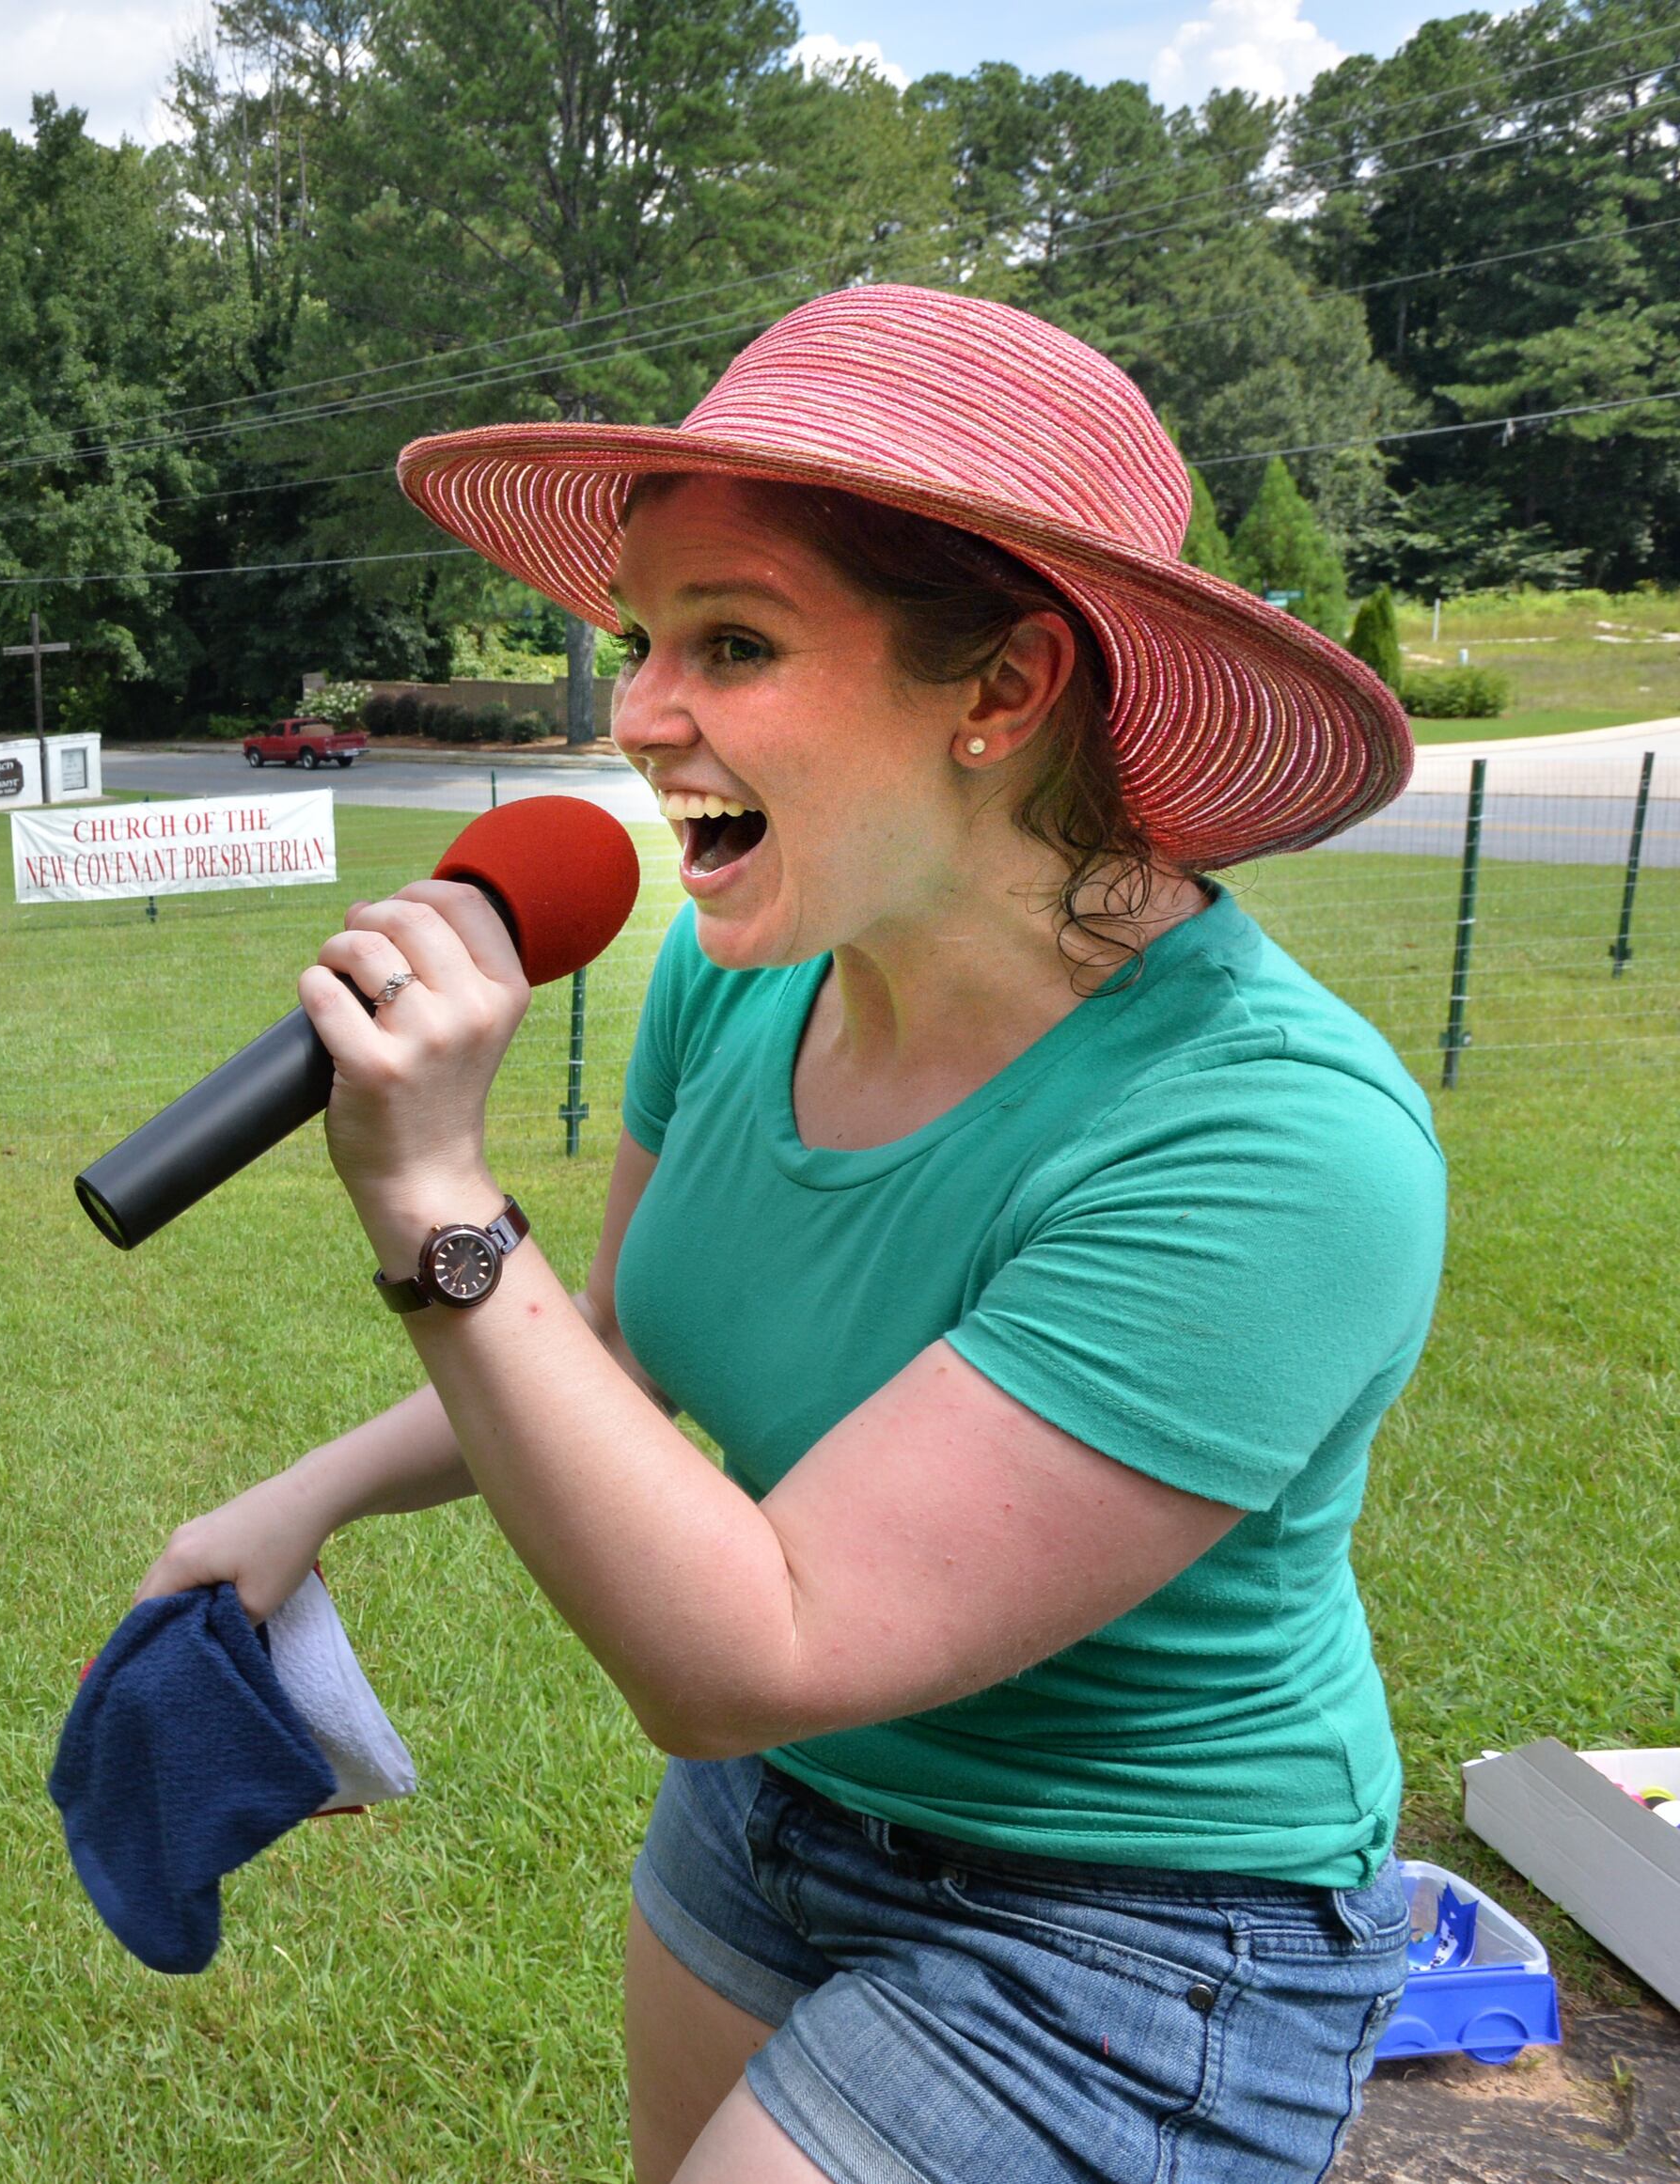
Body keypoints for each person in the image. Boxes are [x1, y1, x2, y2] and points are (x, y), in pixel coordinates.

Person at [133, 287, 1434, 2184]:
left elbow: (755, 1641)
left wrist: (432, 1192)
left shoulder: (1275, 1138)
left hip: (1139, 1921)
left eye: (732, 643)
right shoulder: (744, 983)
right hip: (770, 1820)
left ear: (1002, 692)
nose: (641, 715)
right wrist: (294, 1501)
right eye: (642, 638)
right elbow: (622, 1349)